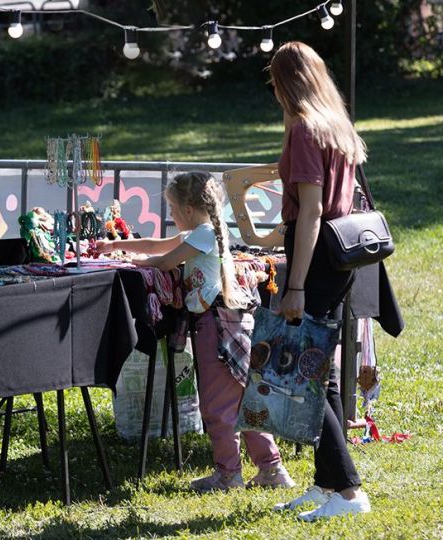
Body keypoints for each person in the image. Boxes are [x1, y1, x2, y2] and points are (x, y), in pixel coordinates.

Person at [96, 171, 294, 492]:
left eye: (172, 210)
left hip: (215, 327)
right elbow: (159, 244)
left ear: (188, 210)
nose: (171, 218)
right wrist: (115, 244)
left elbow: (163, 260)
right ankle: (271, 469)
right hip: (230, 321)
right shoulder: (206, 231)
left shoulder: (203, 235)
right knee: (245, 401)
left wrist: (134, 261)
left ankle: (228, 474)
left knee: (217, 406)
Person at [267, 41, 372, 520]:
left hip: (316, 260)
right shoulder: (336, 126)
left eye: (274, 81)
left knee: (306, 375)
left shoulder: (305, 130)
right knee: (320, 374)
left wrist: (296, 285)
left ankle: (348, 491)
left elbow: (310, 213)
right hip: (340, 256)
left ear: (286, 82)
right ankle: (327, 483)